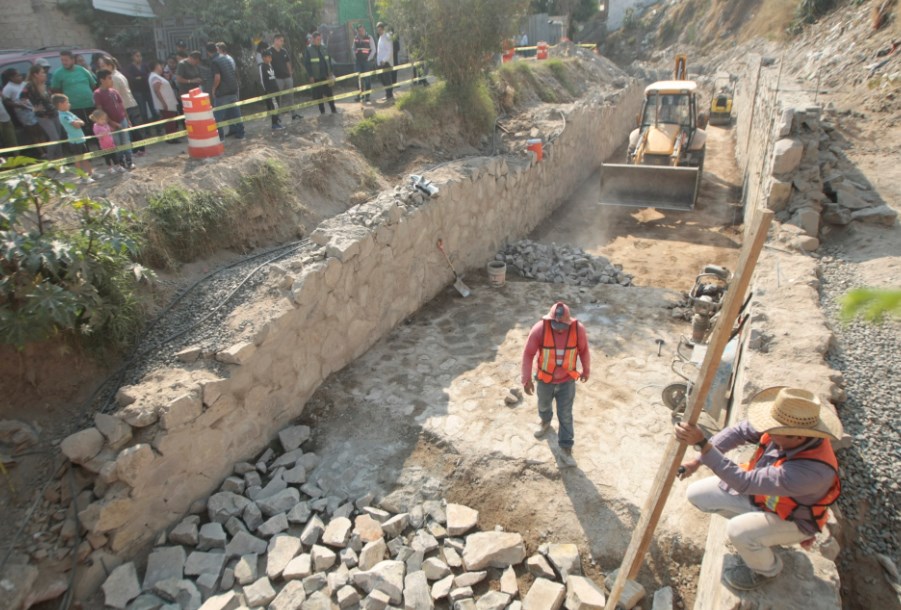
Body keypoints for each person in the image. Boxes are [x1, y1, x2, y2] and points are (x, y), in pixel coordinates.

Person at [675, 386, 843, 591]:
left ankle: (767, 570)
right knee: (698, 494)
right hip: (763, 498)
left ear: (797, 437)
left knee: (738, 531)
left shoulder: (811, 471)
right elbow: (738, 432)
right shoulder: (785, 430)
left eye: (773, 430)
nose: (767, 431)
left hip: (794, 519)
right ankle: (761, 535)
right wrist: (698, 461)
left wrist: (702, 443)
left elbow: (743, 482)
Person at [521, 302, 591, 466]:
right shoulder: (539, 329)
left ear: (568, 321)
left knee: (565, 414)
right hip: (545, 380)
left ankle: (566, 448)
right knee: (544, 405)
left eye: (562, 325)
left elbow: (584, 350)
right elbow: (528, 353)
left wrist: (586, 370)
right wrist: (526, 379)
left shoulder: (578, 329)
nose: (559, 329)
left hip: (567, 380)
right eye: (556, 325)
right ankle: (545, 421)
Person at [96, 56, 146, 155]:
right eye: (100, 66)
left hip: (125, 106)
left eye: (103, 66)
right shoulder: (118, 74)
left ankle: (137, 151)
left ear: (110, 66)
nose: (101, 68)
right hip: (130, 103)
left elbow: (113, 98)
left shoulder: (113, 78)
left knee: (130, 131)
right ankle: (139, 150)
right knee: (134, 129)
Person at [93, 69, 134, 171]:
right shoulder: (98, 93)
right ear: (102, 80)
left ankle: (130, 161)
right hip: (110, 124)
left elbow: (122, 106)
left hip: (122, 120)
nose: (112, 80)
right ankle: (121, 163)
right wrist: (111, 123)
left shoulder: (114, 91)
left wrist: (127, 119)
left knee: (126, 140)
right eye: (109, 78)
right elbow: (100, 111)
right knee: (117, 143)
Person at [50, 50, 97, 134]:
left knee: (95, 127)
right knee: (81, 130)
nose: (64, 62)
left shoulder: (82, 70)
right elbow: (55, 92)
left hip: (90, 105)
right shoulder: (58, 74)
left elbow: (93, 85)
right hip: (73, 108)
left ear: (72, 60)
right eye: (62, 60)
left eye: (66, 60)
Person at [22, 65, 63, 159]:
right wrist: (32, 108)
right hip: (43, 116)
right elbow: (21, 99)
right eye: (42, 72)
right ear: (35, 74)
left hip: (54, 113)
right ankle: (50, 160)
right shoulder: (29, 86)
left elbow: (49, 98)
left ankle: (60, 159)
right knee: (54, 137)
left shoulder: (45, 84)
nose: (44, 74)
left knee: (59, 137)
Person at [53, 94, 94, 182]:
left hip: (81, 138)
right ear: (60, 104)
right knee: (78, 159)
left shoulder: (68, 113)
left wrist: (78, 122)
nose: (69, 104)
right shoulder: (64, 115)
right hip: (75, 141)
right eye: (67, 102)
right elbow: (76, 125)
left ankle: (91, 173)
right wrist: (78, 123)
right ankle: (82, 176)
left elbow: (82, 122)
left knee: (85, 157)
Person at [208, 42, 244, 139]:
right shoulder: (226, 58)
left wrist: (214, 89)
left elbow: (217, 77)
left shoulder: (214, 61)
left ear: (208, 52)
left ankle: (220, 137)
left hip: (222, 93)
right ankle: (241, 134)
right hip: (232, 90)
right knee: (236, 114)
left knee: (218, 117)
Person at [303, 31, 338, 115]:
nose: (319, 41)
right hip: (316, 76)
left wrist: (331, 72)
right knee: (319, 95)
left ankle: (333, 109)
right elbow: (307, 64)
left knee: (330, 93)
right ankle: (322, 112)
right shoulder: (309, 49)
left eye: (320, 39)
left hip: (326, 75)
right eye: (317, 39)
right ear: (313, 40)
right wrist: (310, 75)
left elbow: (329, 60)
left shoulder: (324, 47)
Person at [148, 60, 181, 142]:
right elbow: (157, 90)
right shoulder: (155, 77)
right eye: (160, 65)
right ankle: (172, 138)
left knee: (171, 121)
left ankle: (172, 137)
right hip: (166, 103)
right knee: (170, 121)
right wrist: (163, 103)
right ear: (156, 66)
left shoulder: (156, 76)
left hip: (168, 102)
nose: (161, 67)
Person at [270, 34, 300, 120]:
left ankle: (294, 114)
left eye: (283, 41)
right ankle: (277, 117)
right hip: (277, 78)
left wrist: (290, 74)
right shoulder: (269, 51)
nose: (282, 42)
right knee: (277, 98)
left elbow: (288, 63)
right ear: (275, 40)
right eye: (281, 40)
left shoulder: (284, 51)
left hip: (287, 77)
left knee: (291, 96)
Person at [124, 50, 158, 127]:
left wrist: (140, 78)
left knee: (153, 110)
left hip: (147, 90)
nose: (139, 58)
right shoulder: (130, 67)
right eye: (137, 56)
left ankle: (158, 128)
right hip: (137, 91)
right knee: (143, 111)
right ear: (133, 57)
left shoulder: (145, 65)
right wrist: (139, 78)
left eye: (140, 56)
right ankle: (147, 130)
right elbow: (131, 78)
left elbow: (149, 75)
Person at [259, 49, 283, 130]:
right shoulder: (262, 66)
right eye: (268, 57)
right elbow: (262, 80)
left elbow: (273, 78)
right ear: (263, 58)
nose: (270, 58)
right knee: (274, 106)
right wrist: (266, 90)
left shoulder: (270, 65)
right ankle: (274, 124)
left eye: (270, 57)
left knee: (277, 106)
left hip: (275, 89)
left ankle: (276, 119)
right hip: (270, 90)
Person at [353, 24, 375, 102]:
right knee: (358, 78)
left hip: (366, 62)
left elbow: (373, 50)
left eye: (362, 30)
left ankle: (367, 96)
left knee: (367, 79)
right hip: (358, 62)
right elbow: (353, 48)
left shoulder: (369, 37)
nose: (360, 32)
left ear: (364, 30)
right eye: (359, 31)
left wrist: (368, 59)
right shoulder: (356, 38)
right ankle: (359, 95)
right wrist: (355, 57)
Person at [376, 22, 394, 101]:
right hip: (380, 63)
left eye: (380, 29)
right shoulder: (380, 37)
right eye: (378, 30)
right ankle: (387, 94)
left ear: (383, 29)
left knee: (387, 79)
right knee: (381, 78)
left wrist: (384, 60)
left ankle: (390, 95)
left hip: (386, 62)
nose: (379, 31)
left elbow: (389, 51)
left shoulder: (387, 37)